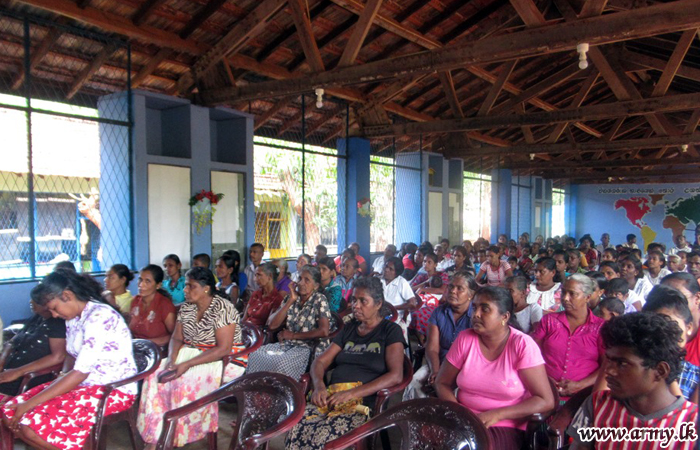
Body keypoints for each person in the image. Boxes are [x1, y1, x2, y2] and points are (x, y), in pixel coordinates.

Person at [2, 270, 136, 450]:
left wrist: (29, 404)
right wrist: (61, 377)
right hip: (82, 385)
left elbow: (80, 372)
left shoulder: (99, 317)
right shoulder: (73, 318)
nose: (54, 315)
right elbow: (72, 356)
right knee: (9, 412)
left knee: (30, 423)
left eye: (54, 308)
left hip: (113, 390)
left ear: (67, 296)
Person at [285, 277, 405, 450]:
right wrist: (319, 386)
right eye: (354, 300)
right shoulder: (349, 329)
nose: (355, 305)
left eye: (363, 301)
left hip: (361, 402)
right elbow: (320, 361)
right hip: (332, 397)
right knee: (296, 426)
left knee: (322, 437)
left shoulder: (390, 331)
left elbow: (396, 375)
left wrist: (350, 394)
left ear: (378, 304)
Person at [436, 286, 554, 449]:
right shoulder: (465, 339)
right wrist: (460, 413)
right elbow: (442, 382)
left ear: (504, 317)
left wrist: (498, 414)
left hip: (504, 424)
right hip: (464, 419)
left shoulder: (522, 344)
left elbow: (545, 400)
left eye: (485, 309)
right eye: (475, 307)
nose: (476, 314)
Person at [137, 267, 242, 449]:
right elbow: (176, 337)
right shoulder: (187, 307)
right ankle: (155, 435)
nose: (185, 290)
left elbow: (223, 348)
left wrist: (186, 364)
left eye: (190, 286)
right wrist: (172, 358)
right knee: (154, 374)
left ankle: (177, 434)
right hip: (190, 352)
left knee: (181, 379)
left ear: (206, 288)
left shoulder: (223, 308)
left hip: (221, 359)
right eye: (185, 286)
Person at [567, 313, 698, 450]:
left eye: (622, 363)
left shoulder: (692, 423)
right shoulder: (598, 404)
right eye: (609, 360)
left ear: (660, 371)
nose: (609, 371)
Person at [246, 266, 331, 380]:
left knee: (281, 364)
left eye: (307, 280)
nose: (301, 283)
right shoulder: (290, 298)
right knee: (255, 355)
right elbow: (272, 325)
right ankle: (259, 392)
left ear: (316, 285)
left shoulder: (319, 299)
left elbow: (324, 331)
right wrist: (291, 300)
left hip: (307, 347)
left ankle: (282, 396)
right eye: (299, 278)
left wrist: (293, 335)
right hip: (288, 344)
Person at [404, 272, 476, 400]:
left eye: (460, 288)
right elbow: (432, 349)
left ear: (471, 294)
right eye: (451, 286)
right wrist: (436, 371)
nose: (453, 291)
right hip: (439, 363)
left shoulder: (476, 316)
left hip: (467, 369)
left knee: (458, 396)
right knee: (414, 384)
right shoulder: (439, 312)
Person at [532, 274, 606, 398]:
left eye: (572, 294)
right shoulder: (549, 321)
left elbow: (606, 366)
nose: (565, 298)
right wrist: (546, 379)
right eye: (563, 293)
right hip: (546, 390)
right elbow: (532, 355)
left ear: (587, 297)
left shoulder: (600, 328)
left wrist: (580, 385)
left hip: (584, 395)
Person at [0, 288, 66, 397]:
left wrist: (18, 371)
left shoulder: (57, 324)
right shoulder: (37, 317)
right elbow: (12, 341)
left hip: (24, 377)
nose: (31, 302)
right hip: (8, 369)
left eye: (35, 300)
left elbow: (58, 356)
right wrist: (2, 359)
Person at [643, 285, 699, 402]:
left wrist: (670, 378)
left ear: (688, 327)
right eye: (655, 327)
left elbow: (689, 417)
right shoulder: (637, 367)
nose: (664, 334)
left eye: (671, 326)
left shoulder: (695, 376)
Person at [129, 265, 177, 346]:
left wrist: (146, 343)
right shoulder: (135, 301)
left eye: (147, 281)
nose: (141, 285)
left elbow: (175, 336)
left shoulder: (164, 305)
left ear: (158, 285)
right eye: (140, 280)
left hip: (157, 352)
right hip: (136, 349)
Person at [381, 257, 418, 339]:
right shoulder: (379, 280)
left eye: (391, 269)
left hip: (396, 315)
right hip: (380, 313)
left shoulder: (401, 282)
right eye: (386, 266)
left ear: (396, 273)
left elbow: (412, 303)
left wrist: (393, 308)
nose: (386, 270)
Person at [242, 262, 285, 327]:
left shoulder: (277, 299)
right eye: (255, 275)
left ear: (270, 276)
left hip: (258, 334)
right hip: (246, 330)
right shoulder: (255, 294)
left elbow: (269, 326)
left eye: (259, 275)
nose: (255, 279)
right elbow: (244, 318)